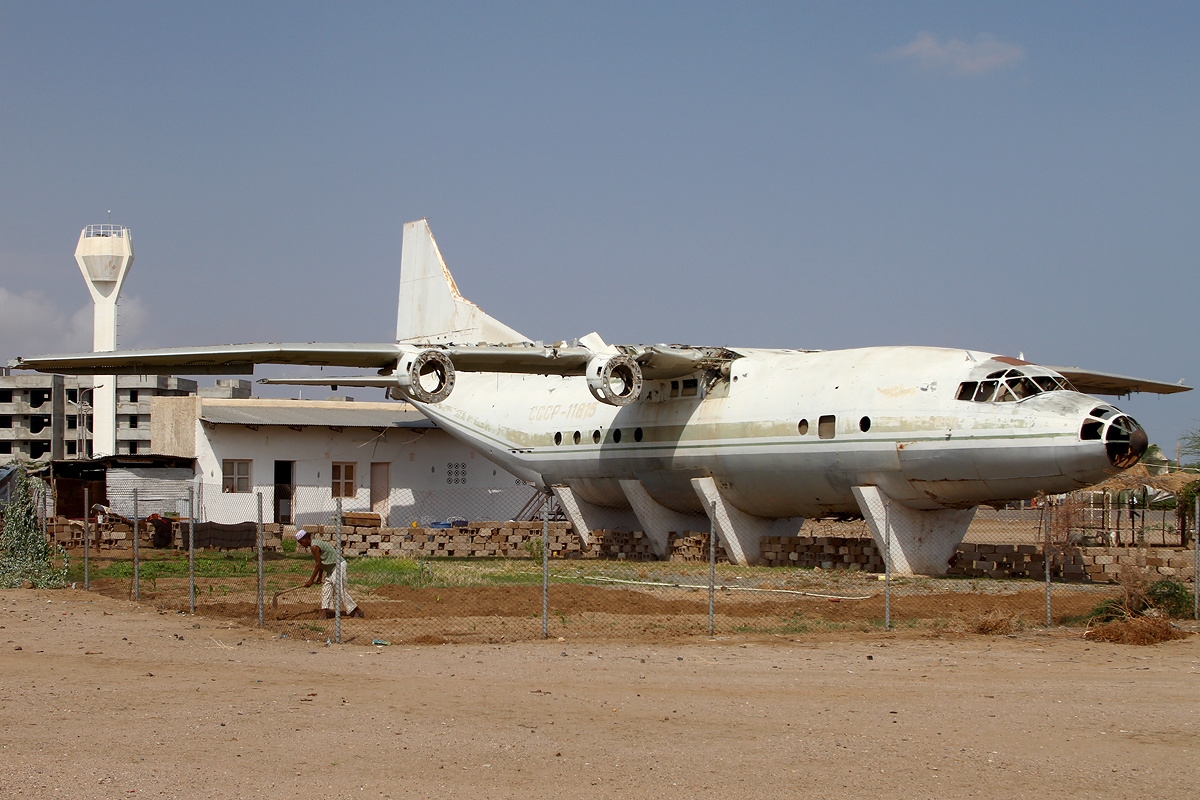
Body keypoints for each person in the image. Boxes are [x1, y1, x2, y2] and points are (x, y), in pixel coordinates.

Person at [296, 529, 364, 619]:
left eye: (301, 542)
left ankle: (357, 610)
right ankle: (324, 614)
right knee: (326, 589)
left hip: (338, 566)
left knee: (340, 590)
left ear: (305, 539)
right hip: (331, 569)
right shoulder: (314, 545)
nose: (301, 544)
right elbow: (321, 562)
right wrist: (319, 577)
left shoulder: (314, 547)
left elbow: (317, 564)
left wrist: (311, 580)